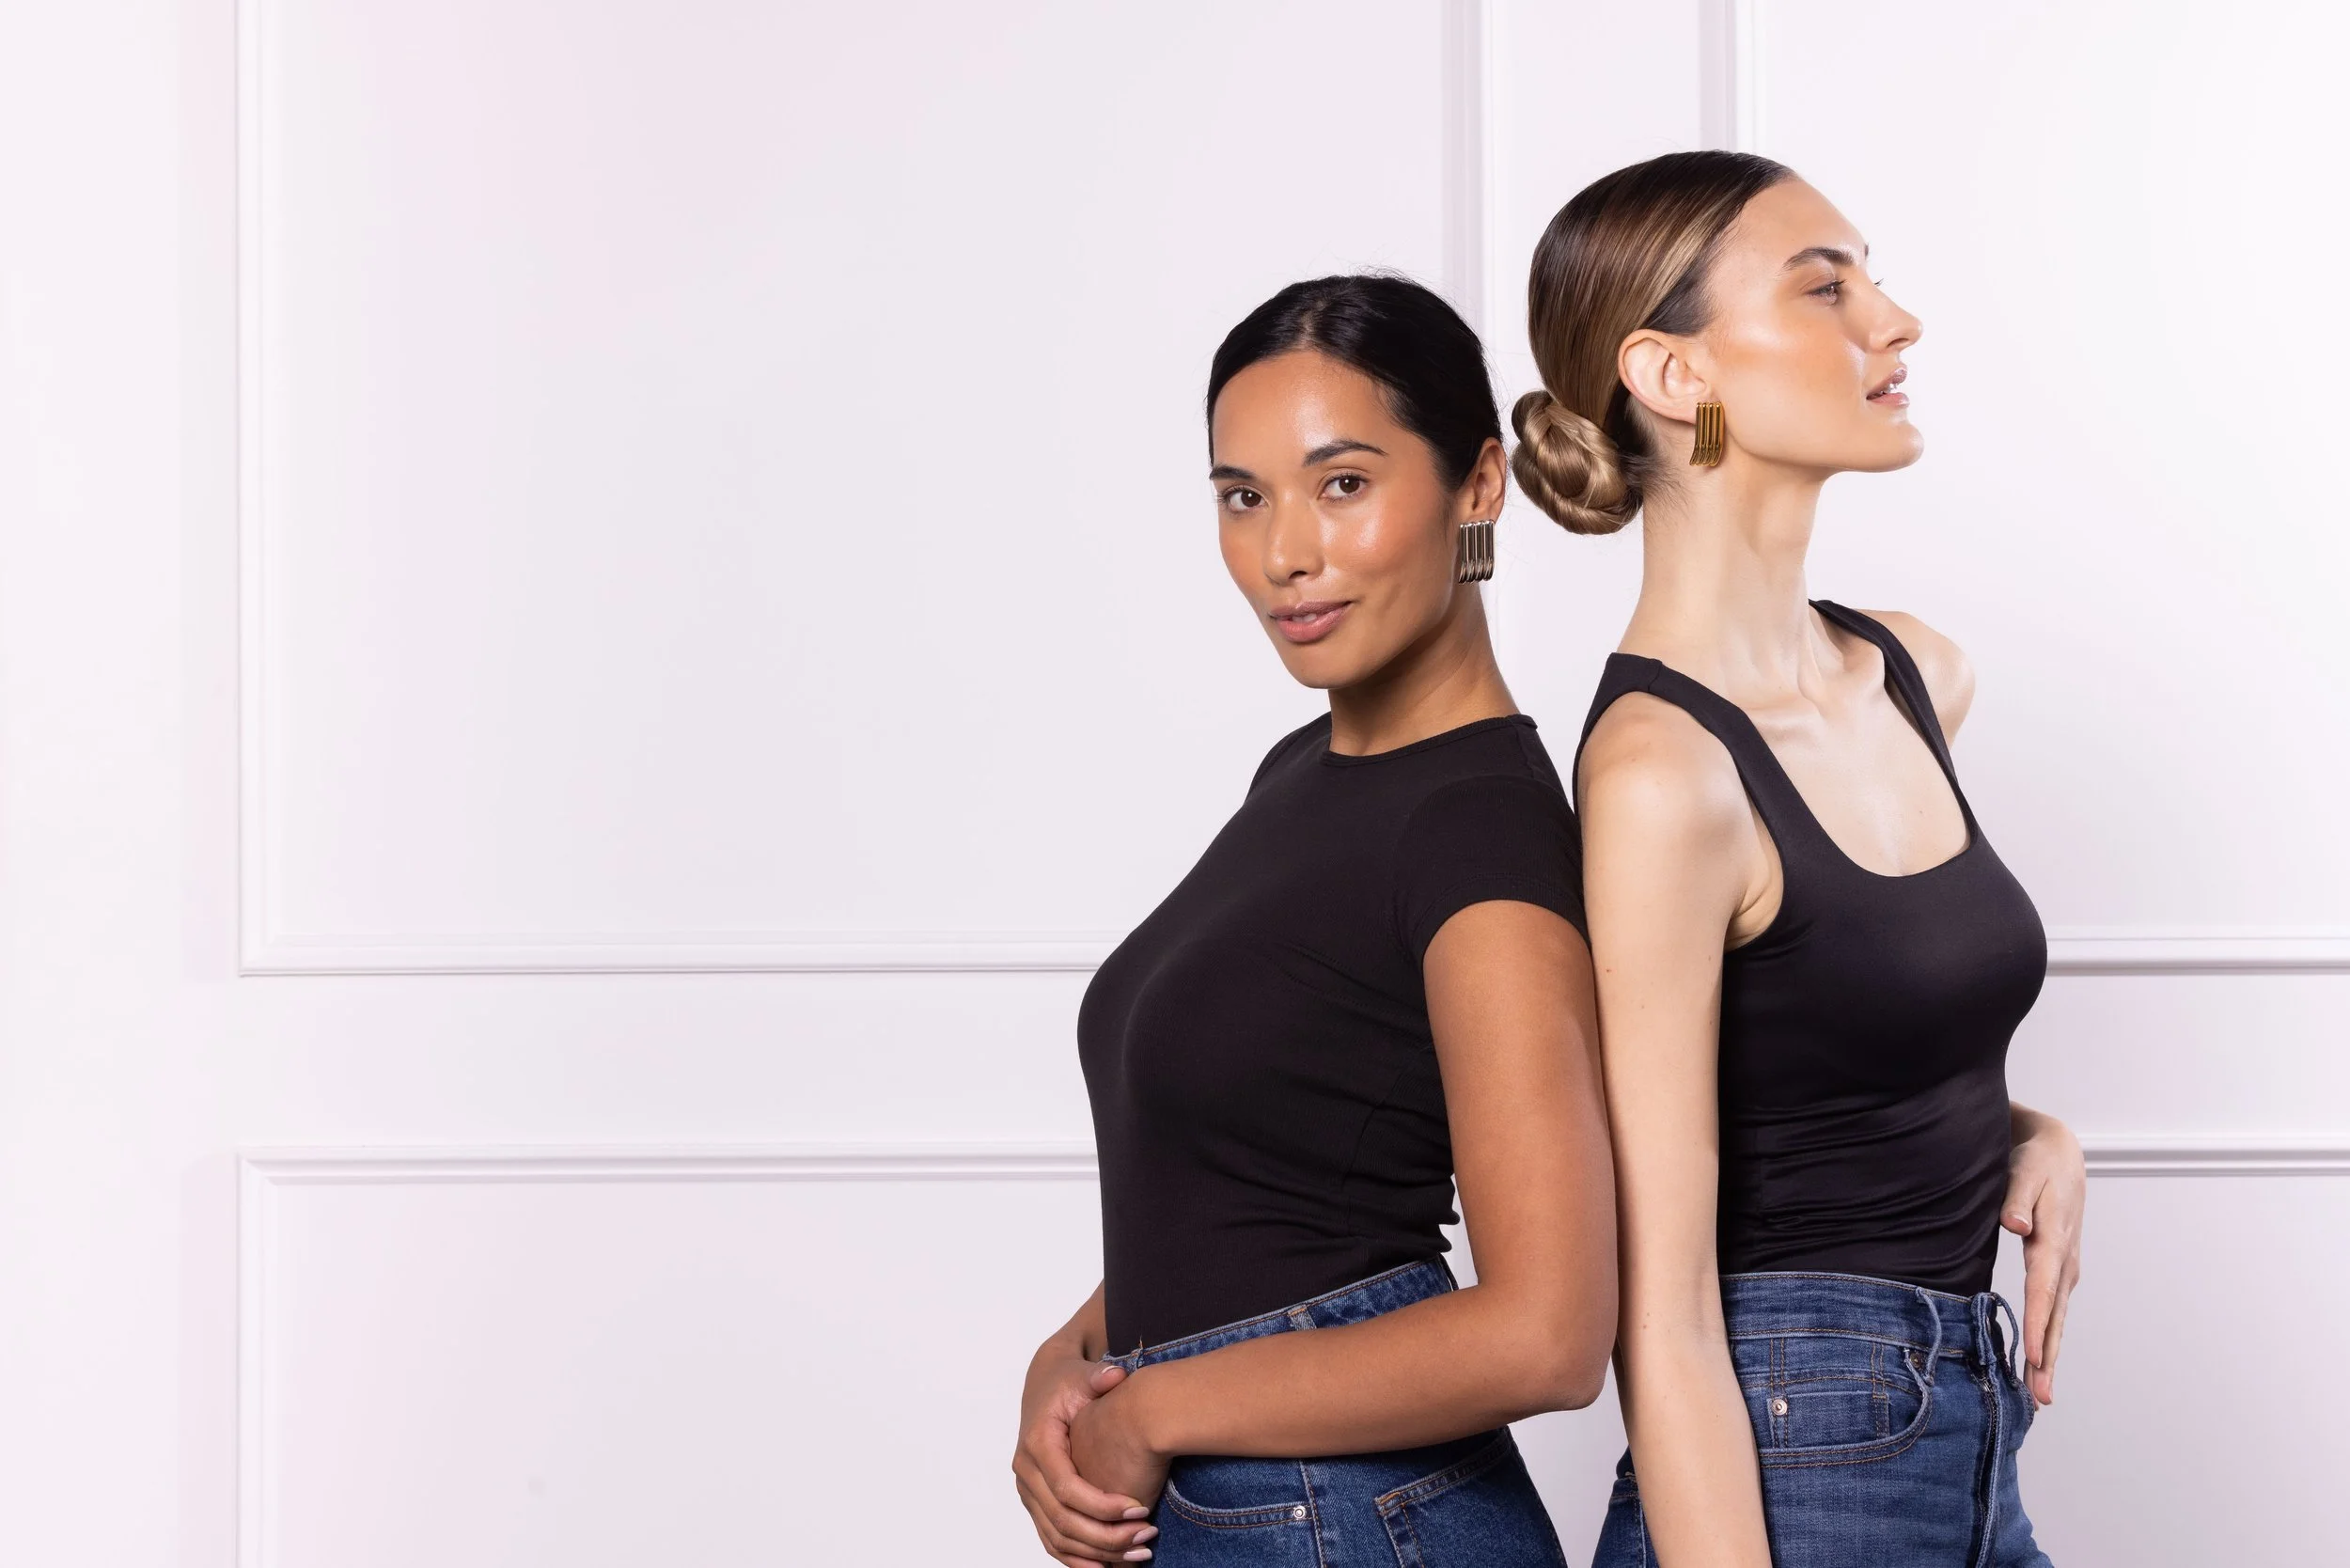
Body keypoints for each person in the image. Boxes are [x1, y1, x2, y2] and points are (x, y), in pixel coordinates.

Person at [1510, 150, 2086, 1566]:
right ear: (1673, 374)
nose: (1895, 325)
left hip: (1965, 1435)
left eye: (1873, 282)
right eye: (1827, 289)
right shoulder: (1661, 779)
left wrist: (2033, 1132)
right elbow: (1669, 1300)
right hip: (1788, 1465)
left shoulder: (1914, 675)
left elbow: (1833, 1062)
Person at [1010, 274, 1616, 1566]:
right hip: (1270, 1503)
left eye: (1342, 483)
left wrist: (1163, 1402)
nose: (1285, 552)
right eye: (1244, 496)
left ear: (1479, 485)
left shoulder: (1479, 831)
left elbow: (1550, 1330)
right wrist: (1075, 1358)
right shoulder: (1305, 771)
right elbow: (1269, 1193)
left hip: (1346, 1518)